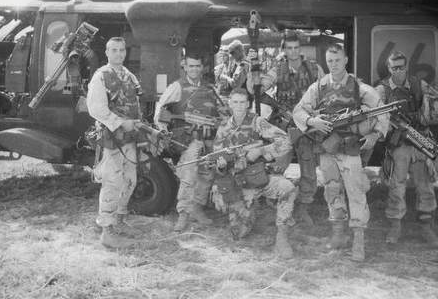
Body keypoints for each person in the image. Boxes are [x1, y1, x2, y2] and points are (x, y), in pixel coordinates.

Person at [293, 44, 388, 262]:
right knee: (332, 189)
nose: (334, 65)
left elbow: (383, 112)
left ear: (346, 60)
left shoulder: (360, 88)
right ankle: (338, 234)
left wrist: (375, 136)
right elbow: (298, 110)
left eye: (337, 60)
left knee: (355, 191)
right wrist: (312, 121)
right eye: (330, 61)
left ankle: (358, 240)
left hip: (350, 148)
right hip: (327, 149)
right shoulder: (319, 87)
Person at [375, 51, 438, 248]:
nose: (398, 71)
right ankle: (395, 227)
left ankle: (427, 227)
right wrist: (387, 126)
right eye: (394, 68)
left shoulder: (419, 84)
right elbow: (373, 113)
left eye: (401, 67)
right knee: (396, 187)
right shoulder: (382, 90)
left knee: (425, 185)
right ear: (388, 68)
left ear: (406, 66)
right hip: (399, 145)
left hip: (420, 142)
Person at [248, 31, 325, 227]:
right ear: (284, 50)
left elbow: (326, 92)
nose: (293, 52)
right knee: (278, 165)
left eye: (296, 48)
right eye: (289, 48)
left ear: (300, 48)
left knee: (308, 168)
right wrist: (253, 66)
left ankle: (304, 207)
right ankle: (277, 202)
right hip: (286, 125)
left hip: (307, 126)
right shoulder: (277, 70)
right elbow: (256, 89)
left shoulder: (314, 69)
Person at [211, 88, 297, 258]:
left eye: (242, 102)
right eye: (235, 102)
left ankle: (282, 238)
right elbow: (216, 162)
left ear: (248, 104)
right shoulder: (223, 128)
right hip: (239, 183)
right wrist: (221, 167)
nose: (239, 106)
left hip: (259, 177)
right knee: (239, 233)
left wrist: (261, 151)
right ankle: (251, 207)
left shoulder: (257, 122)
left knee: (287, 188)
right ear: (229, 104)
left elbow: (286, 141)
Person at [154, 51, 222, 231]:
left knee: (207, 174)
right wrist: (164, 132)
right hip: (189, 139)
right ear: (185, 66)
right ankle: (183, 214)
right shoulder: (177, 87)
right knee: (188, 176)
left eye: (197, 66)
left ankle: (197, 209)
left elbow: (220, 112)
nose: (194, 69)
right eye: (191, 66)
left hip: (208, 139)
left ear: (202, 67)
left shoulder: (209, 89)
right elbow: (160, 111)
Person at [86, 37, 142, 248]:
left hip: (129, 137)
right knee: (112, 182)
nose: (119, 54)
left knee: (130, 180)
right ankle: (107, 232)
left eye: (122, 50)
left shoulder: (129, 75)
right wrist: (119, 123)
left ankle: (119, 220)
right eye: (114, 50)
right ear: (107, 52)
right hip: (112, 138)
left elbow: (135, 104)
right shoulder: (101, 76)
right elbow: (96, 108)